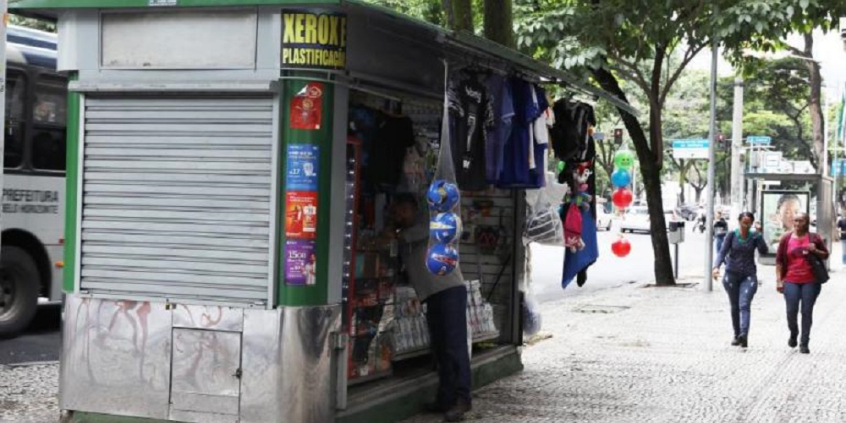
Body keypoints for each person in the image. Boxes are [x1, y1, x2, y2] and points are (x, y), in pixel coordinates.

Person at [383, 193, 471, 422]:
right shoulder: (406, 240)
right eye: (395, 212)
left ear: (414, 210)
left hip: (450, 291)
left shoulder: (428, 226)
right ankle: (446, 397)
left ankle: (463, 398)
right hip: (431, 296)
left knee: (455, 346)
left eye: (403, 210)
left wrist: (397, 232)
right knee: (441, 348)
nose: (399, 215)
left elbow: (413, 234)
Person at [775, 212, 830, 354]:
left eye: (801, 221)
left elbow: (825, 255)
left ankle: (804, 342)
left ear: (807, 222)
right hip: (791, 279)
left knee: (806, 311)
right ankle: (794, 333)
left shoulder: (814, 238)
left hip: (810, 280)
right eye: (796, 221)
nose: (798, 224)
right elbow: (779, 260)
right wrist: (779, 281)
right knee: (791, 311)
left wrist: (815, 250)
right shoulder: (786, 238)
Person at [712, 212, 768, 348]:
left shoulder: (755, 236)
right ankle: (736, 334)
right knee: (735, 306)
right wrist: (716, 267)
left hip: (749, 275)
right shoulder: (732, 235)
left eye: (749, 222)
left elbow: (764, 251)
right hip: (731, 274)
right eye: (744, 221)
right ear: (739, 221)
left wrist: (760, 235)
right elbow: (722, 252)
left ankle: (744, 334)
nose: (746, 225)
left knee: (744, 303)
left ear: (752, 223)